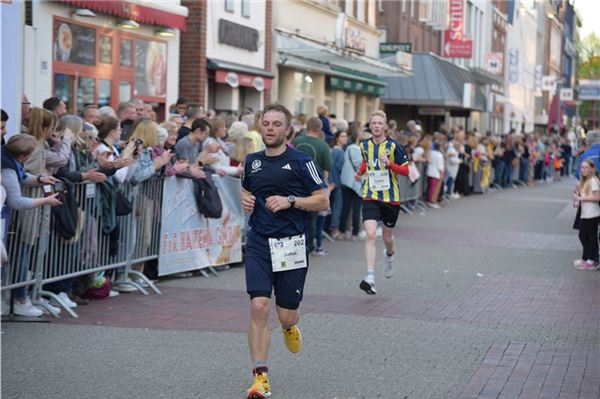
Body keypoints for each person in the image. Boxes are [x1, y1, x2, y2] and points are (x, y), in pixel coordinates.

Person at [241, 103, 329, 399]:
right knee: (258, 306)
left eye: (276, 124)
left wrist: (291, 200)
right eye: (266, 123)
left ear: (287, 129)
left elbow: (323, 200)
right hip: (259, 243)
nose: (270, 128)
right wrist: (246, 199)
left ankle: (290, 328)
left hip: (291, 245)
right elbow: (246, 188)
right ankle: (260, 378)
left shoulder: (302, 161)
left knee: (286, 315)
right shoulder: (252, 161)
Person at [1, 134, 63, 317]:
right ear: (23, 156)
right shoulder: (7, 169)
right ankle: (17, 300)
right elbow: (17, 201)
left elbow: (22, 175)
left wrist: (40, 179)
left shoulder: (9, 159)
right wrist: (45, 200)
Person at [354, 110, 410, 295]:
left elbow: (406, 171)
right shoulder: (364, 145)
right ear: (370, 126)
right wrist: (360, 172)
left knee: (387, 238)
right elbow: (366, 162)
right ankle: (370, 277)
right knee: (370, 234)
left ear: (385, 126)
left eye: (380, 123)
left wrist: (390, 165)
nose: (377, 126)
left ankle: (390, 255)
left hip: (390, 198)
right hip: (370, 195)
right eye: (374, 123)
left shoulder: (394, 147)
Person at [293, 117, 333, 255]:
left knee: (295, 213)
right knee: (312, 217)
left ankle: (295, 244)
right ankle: (309, 246)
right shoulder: (322, 145)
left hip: (295, 182)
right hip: (314, 185)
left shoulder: (296, 141)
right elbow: (328, 166)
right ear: (320, 128)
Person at [573, 159, 600, 270]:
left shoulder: (593, 180)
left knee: (591, 237)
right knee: (583, 235)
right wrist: (577, 201)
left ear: (592, 169)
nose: (583, 170)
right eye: (582, 167)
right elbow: (581, 197)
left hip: (593, 214)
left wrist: (581, 198)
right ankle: (586, 258)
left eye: (586, 167)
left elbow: (597, 197)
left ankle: (592, 260)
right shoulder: (584, 181)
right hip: (585, 213)